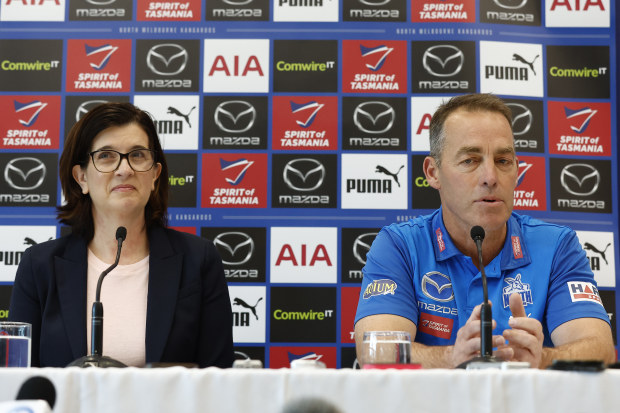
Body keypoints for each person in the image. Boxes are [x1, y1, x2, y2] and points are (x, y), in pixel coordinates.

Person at [354, 93, 615, 369]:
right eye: (470, 160)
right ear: (433, 172)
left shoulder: (556, 246)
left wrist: (543, 358)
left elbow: (600, 349)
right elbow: (373, 349)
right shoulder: (399, 245)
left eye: (503, 161)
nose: (490, 177)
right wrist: (452, 357)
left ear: (516, 170)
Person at [9, 102, 234, 368]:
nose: (124, 169)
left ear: (155, 175)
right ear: (81, 177)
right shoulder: (39, 266)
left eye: (137, 155)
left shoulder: (199, 260)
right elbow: (19, 381)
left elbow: (220, 379)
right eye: (106, 156)